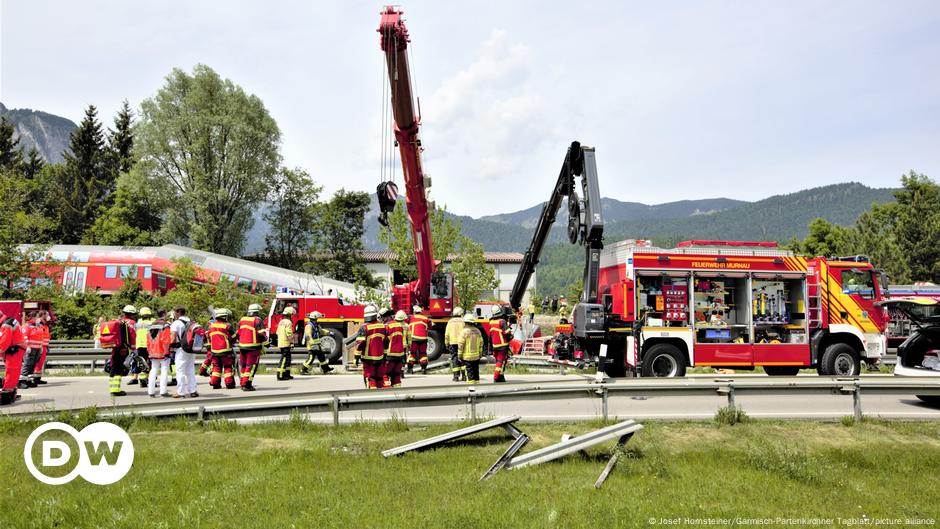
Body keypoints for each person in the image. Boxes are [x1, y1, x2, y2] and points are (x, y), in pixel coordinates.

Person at [104, 305, 137, 397]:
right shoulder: (132, 323)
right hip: (124, 348)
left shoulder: (119, 321)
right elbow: (132, 335)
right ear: (132, 314)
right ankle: (116, 390)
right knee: (119, 368)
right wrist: (134, 348)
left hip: (116, 347)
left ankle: (112, 388)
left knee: (113, 367)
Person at [237, 303, 268, 391]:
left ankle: (242, 382)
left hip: (242, 347)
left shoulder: (242, 320)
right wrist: (267, 344)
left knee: (243, 366)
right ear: (256, 312)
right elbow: (261, 334)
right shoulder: (257, 320)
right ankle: (247, 384)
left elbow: (238, 333)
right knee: (251, 366)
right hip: (253, 348)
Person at [355, 306, 387, 389]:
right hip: (380, 357)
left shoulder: (364, 327)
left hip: (367, 358)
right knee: (379, 378)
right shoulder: (383, 326)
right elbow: (386, 341)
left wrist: (356, 357)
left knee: (370, 378)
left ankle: (372, 395)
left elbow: (360, 344)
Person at [171, 306, 199, 398]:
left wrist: (169, 346)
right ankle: (193, 391)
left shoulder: (176, 323)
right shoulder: (191, 322)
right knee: (190, 370)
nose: (173, 314)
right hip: (191, 349)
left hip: (181, 350)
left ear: (178, 312)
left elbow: (173, 337)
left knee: (180, 371)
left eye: (174, 312)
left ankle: (181, 392)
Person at [0, 310, 26, 405]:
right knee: (14, 371)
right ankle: (12, 392)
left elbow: (4, 343)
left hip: (14, 350)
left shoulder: (5, 325)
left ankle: (6, 395)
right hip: (16, 349)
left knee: (11, 371)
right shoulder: (9, 320)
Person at [207, 309, 237, 389]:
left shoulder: (211, 326)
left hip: (214, 351)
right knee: (228, 367)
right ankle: (229, 384)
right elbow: (234, 338)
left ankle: (215, 383)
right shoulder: (227, 326)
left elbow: (208, 337)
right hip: (226, 351)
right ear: (224, 317)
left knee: (216, 368)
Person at [146, 309, 173, 397]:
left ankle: (151, 392)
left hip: (153, 351)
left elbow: (148, 340)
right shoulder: (165, 325)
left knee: (153, 370)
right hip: (162, 351)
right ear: (164, 314)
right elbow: (166, 340)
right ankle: (163, 391)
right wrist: (166, 352)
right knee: (164, 370)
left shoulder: (151, 325)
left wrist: (149, 350)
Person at [300, 311, 334, 376]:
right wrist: (312, 344)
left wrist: (329, 333)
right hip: (312, 345)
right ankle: (303, 370)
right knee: (311, 358)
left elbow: (321, 331)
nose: (317, 320)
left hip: (317, 345)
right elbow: (308, 335)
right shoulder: (309, 326)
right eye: (316, 319)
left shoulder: (316, 325)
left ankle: (326, 369)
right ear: (314, 319)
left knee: (321, 357)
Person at [383, 310, 409, 388]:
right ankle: (397, 392)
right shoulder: (401, 326)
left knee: (385, 374)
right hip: (400, 353)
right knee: (396, 375)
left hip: (390, 355)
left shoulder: (387, 326)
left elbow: (385, 341)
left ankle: (387, 392)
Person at [130, 307, 154, 388]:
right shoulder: (152, 323)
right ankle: (148, 379)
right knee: (150, 363)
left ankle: (142, 379)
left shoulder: (137, 324)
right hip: (149, 345)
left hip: (139, 345)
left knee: (141, 362)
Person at [18, 312, 42, 389]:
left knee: (33, 365)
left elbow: (40, 337)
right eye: (37, 317)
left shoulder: (37, 326)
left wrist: (41, 347)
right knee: (27, 364)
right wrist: (27, 346)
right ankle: (21, 381)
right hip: (30, 348)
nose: (38, 319)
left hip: (37, 348)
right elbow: (24, 337)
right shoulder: (26, 326)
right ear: (32, 317)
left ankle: (29, 380)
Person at [457, 312, 483, 384]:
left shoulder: (464, 332)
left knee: (469, 375)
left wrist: (459, 355)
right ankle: (477, 388)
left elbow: (460, 345)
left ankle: (471, 390)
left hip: (467, 357)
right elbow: (481, 343)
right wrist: (480, 353)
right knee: (476, 373)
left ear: (465, 322)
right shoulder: (478, 331)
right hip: (476, 357)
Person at [488, 305, 512, 383]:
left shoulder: (491, 322)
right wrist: (510, 336)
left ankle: (500, 376)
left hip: (495, 346)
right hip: (503, 346)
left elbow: (490, 335)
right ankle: (496, 377)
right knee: (500, 362)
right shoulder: (502, 321)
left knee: (499, 361)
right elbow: (507, 332)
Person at [444, 307, 466, 382]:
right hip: (462, 343)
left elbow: (446, 334)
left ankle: (456, 377)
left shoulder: (450, 322)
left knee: (454, 358)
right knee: (463, 358)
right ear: (461, 313)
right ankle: (464, 376)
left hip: (452, 343)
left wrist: (446, 343)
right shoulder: (463, 321)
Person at [406, 305, 429, 375]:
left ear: (414, 312)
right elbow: (430, 325)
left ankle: (410, 369)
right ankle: (423, 369)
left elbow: (405, 321)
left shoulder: (411, 317)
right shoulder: (425, 318)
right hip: (424, 339)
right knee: (423, 354)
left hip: (414, 338)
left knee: (412, 354)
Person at [276, 306, 296, 381]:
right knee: (284, 359)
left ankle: (287, 374)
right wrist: (291, 343)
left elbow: (277, 332)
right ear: (290, 314)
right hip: (285, 343)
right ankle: (280, 375)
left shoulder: (281, 321)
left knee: (288, 359)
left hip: (281, 342)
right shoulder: (288, 322)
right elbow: (289, 334)